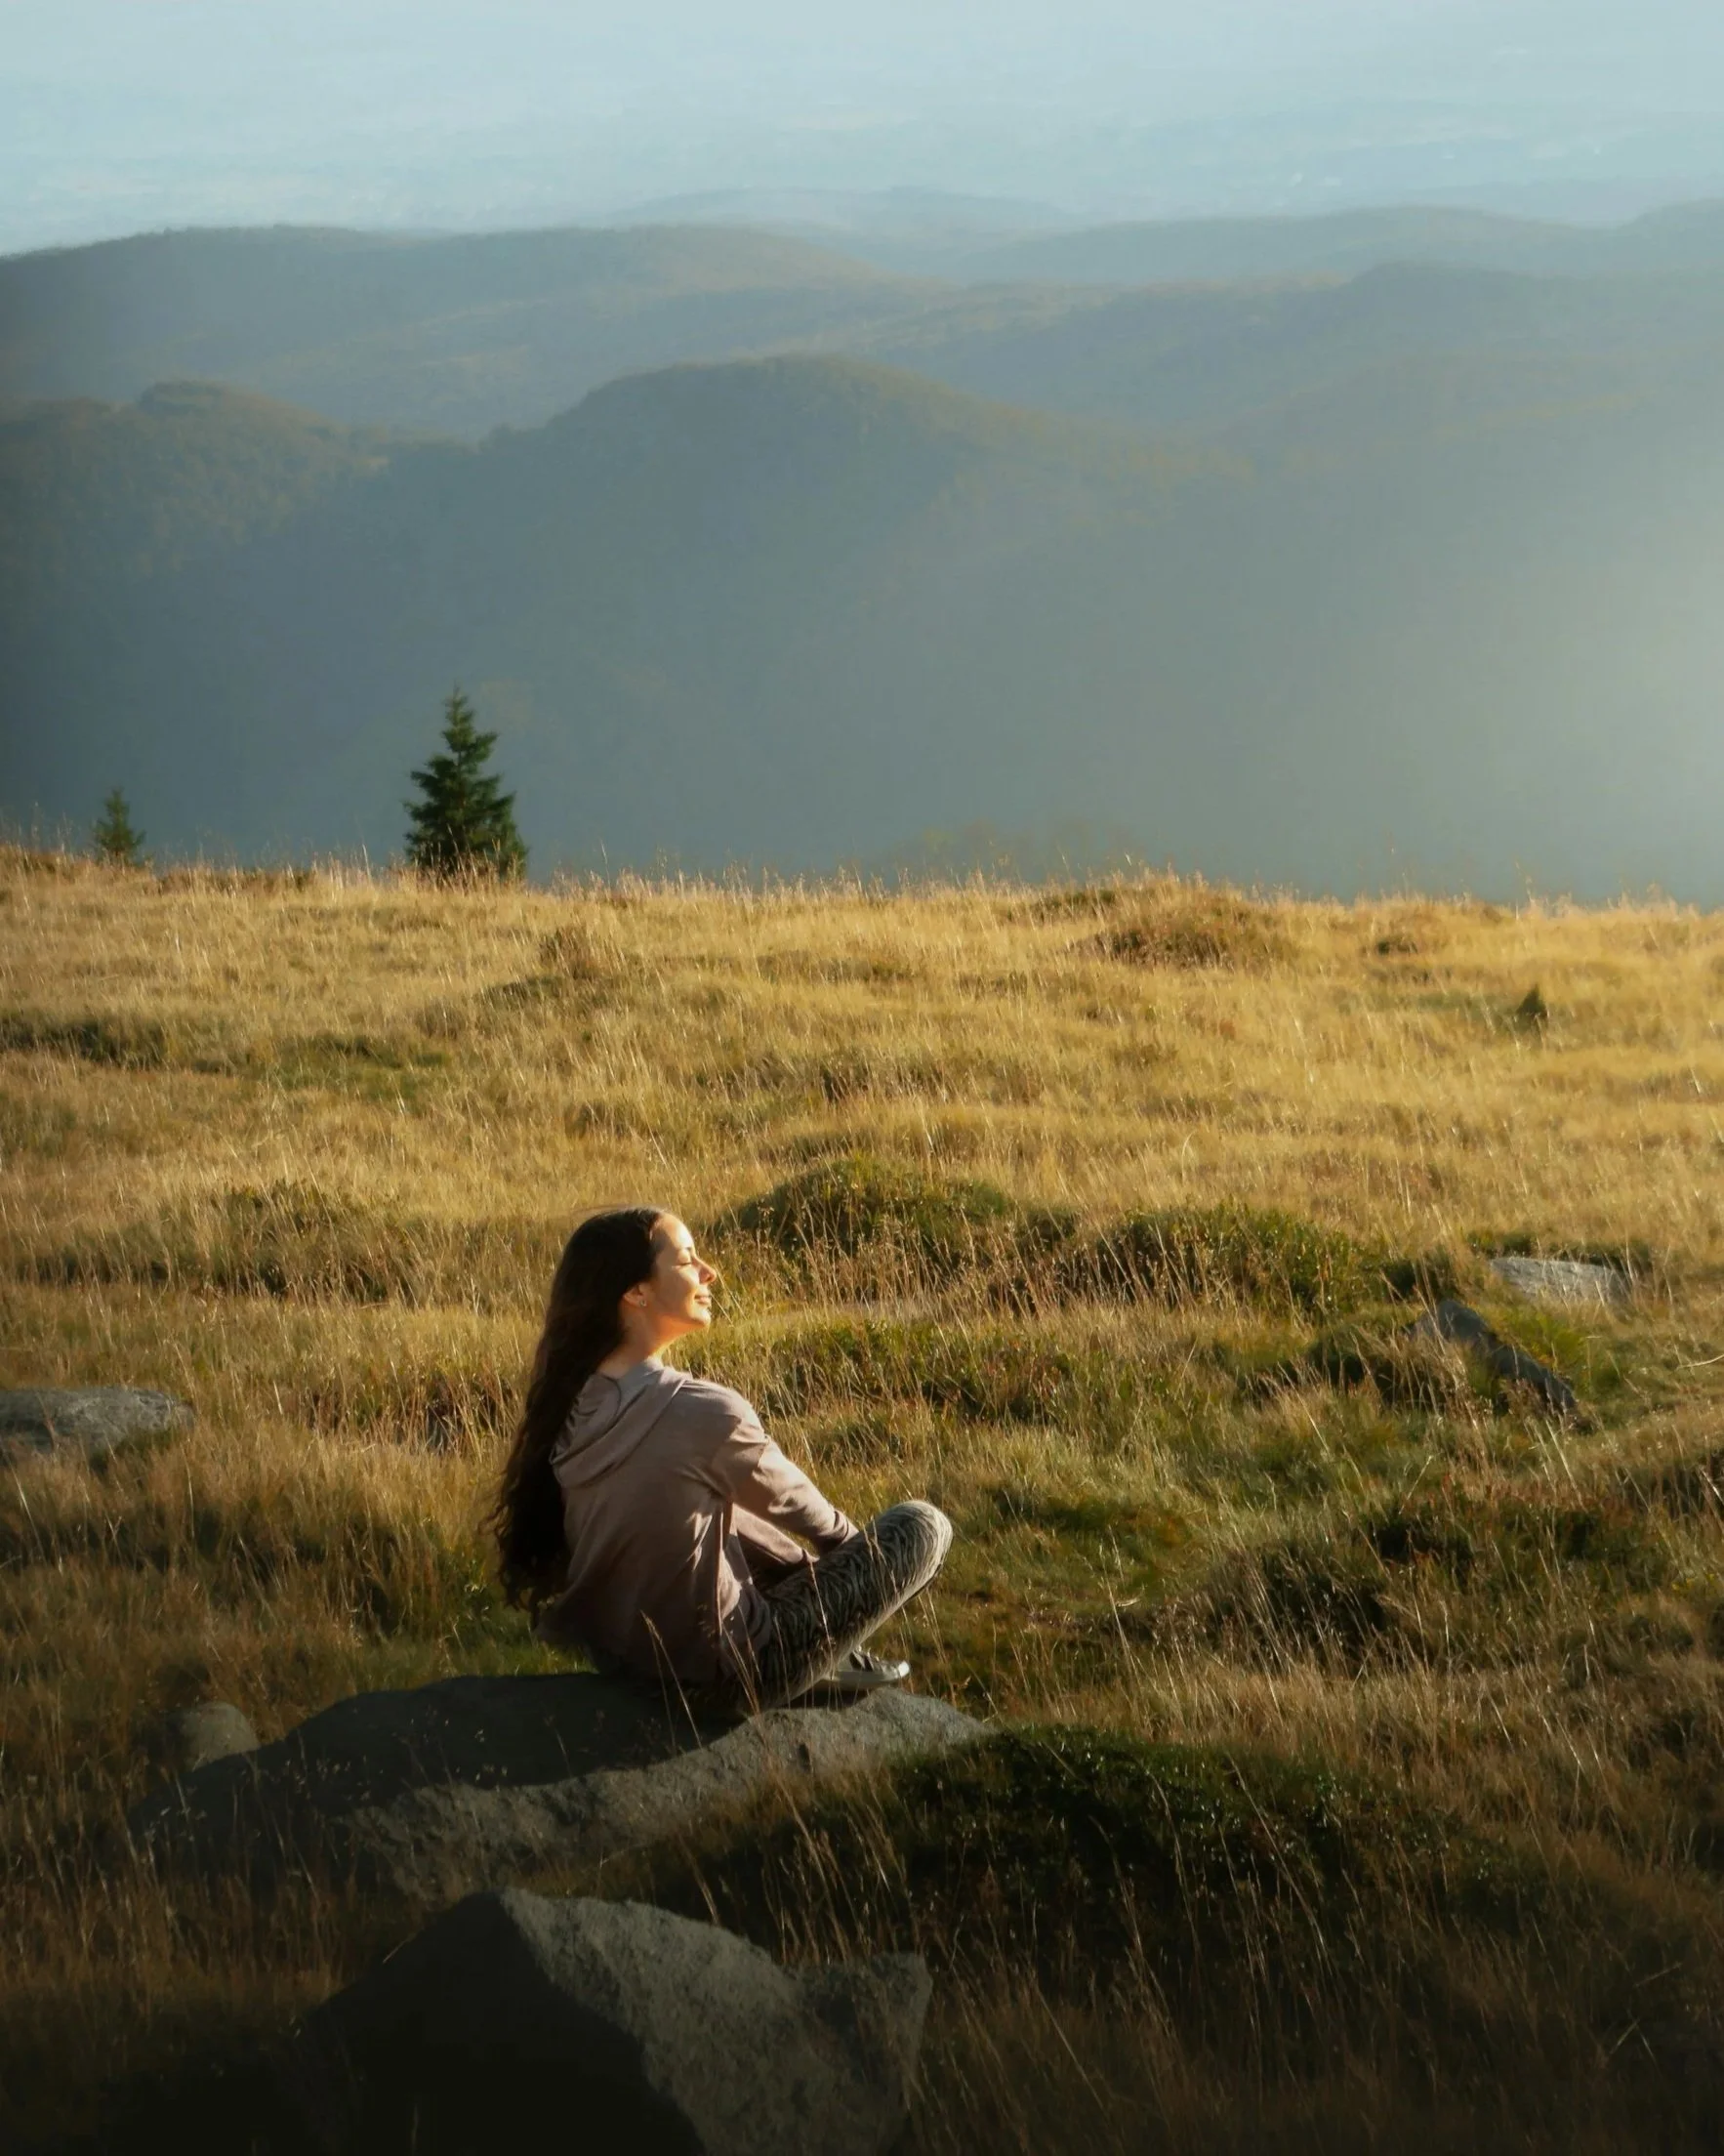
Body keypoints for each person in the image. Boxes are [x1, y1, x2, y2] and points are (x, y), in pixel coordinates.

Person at [490, 1206, 952, 1708]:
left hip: (625, 1667)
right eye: (688, 1261)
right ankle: (826, 1662)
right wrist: (861, 1582)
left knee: (717, 1511)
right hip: (731, 1677)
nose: (711, 1272)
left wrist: (807, 1579)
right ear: (636, 1292)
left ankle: (834, 1659)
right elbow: (822, 1524)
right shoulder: (707, 1413)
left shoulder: (568, 1407)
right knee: (923, 1526)